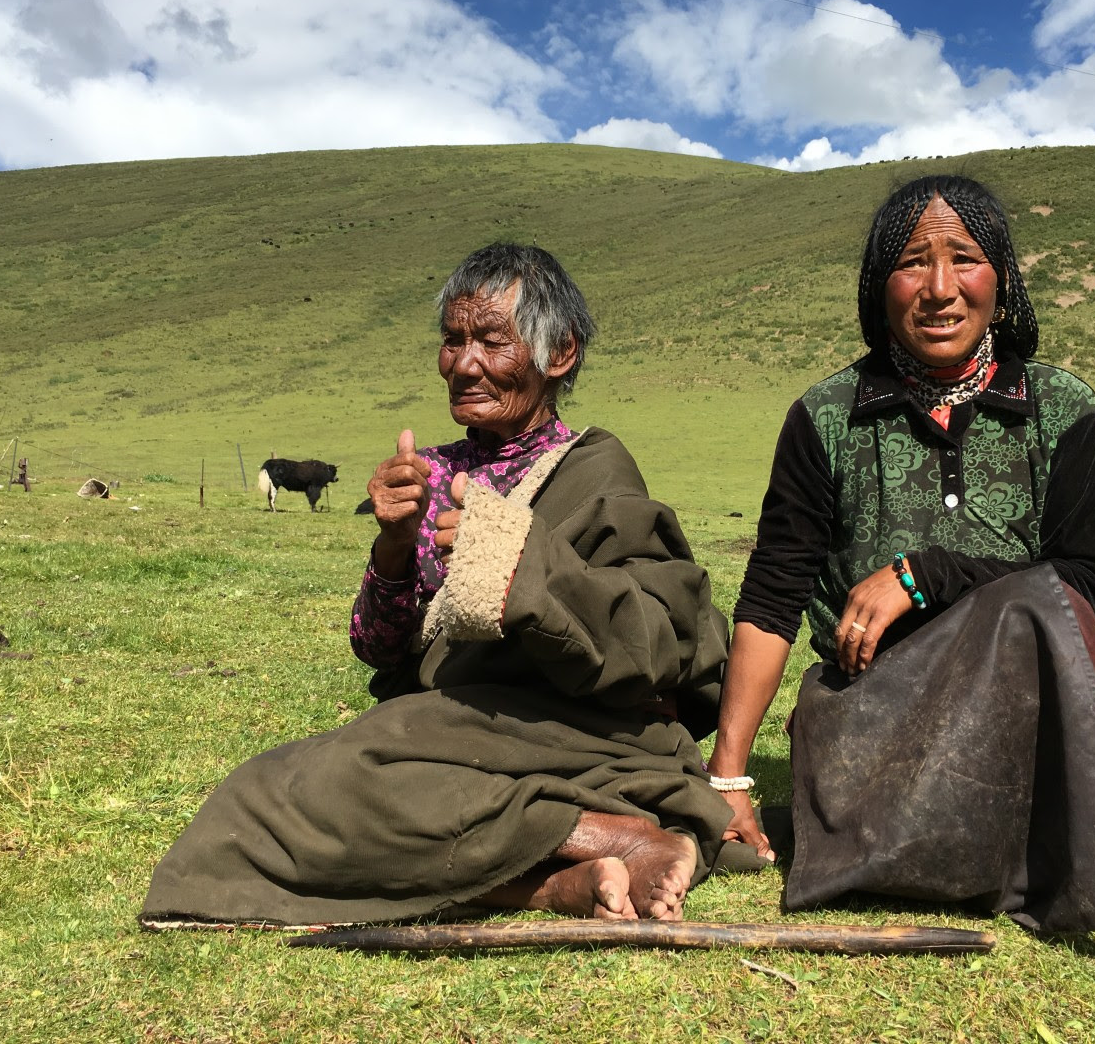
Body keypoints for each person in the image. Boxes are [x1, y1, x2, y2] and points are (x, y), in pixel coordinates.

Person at [140, 243, 735, 928]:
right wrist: (394, 546)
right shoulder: (426, 472)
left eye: (490, 339)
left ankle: (609, 834)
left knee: (328, 786)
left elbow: (658, 635)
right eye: (453, 340)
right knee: (288, 787)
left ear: (559, 353)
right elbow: (382, 650)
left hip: (575, 732)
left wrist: (524, 568)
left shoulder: (594, 470)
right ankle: (563, 879)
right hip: (445, 733)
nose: (464, 362)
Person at [708, 175, 1095, 935]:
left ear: (1004, 278)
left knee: (1037, 607)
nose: (941, 288)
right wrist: (728, 775)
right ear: (877, 285)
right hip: (871, 718)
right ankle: (962, 850)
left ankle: (961, 848)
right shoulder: (825, 417)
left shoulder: (1063, 410)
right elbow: (774, 591)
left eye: (966, 258)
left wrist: (927, 575)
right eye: (914, 262)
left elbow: (1080, 586)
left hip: (1010, 723)